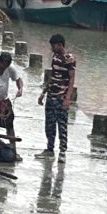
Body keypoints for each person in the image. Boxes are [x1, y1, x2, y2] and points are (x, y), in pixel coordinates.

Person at [36, 34, 76, 164]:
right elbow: (52, 77)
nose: (52, 48)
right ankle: (49, 149)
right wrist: (43, 93)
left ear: (60, 45)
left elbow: (71, 80)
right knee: (49, 124)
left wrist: (67, 99)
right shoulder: (55, 57)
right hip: (51, 96)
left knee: (62, 126)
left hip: (61, 97)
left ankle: (63, 151)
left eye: (53, 46)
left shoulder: (69, 59)